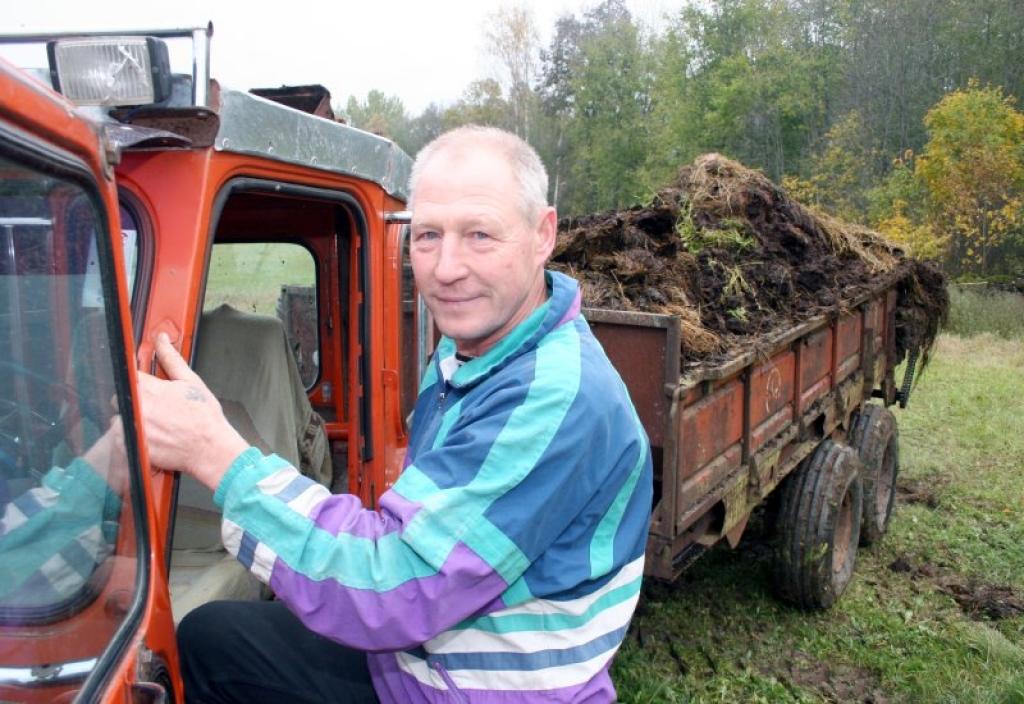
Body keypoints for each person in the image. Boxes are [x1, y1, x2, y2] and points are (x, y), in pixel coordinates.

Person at [138, 126, 653, 703]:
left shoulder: (552, 397)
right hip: (420, 660)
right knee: (213, 636)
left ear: (543, 235)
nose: (446, 267)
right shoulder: (476, 346)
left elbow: (392, 585)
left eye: (480, 234)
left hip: (471, 689)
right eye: (428, 235)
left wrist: (215, 453)